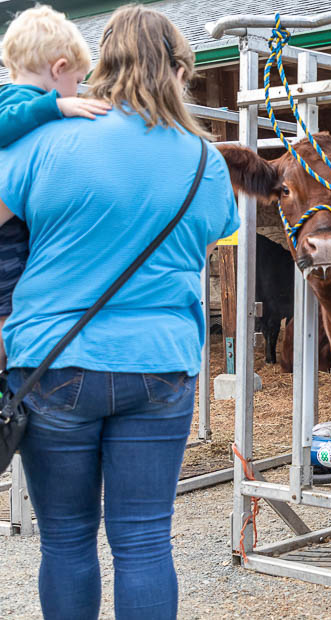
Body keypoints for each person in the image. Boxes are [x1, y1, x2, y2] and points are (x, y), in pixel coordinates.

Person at [0, 5, 239, 620]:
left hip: (53, 361)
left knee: (67, 539)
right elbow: (213, 237)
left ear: (100, 64)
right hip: (161, 363)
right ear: (181, 71)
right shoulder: (204, 161)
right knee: (144, 542)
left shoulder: (44, 140)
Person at [0, 5, 110, 369]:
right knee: (7, 306)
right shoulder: (17, 101)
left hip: (18, 224)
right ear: (58, 69)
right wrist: (57, 106)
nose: (77, 91)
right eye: (78, 81)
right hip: (7, 236)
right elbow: (7, 124)